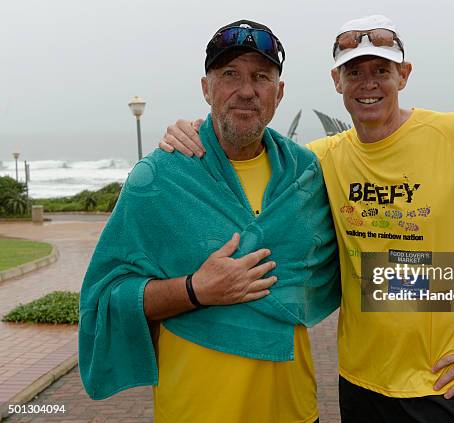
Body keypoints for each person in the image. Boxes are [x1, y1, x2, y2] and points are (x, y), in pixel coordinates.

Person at [160, 15, 454, 423]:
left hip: (443, 384)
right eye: (354, 72)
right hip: (359, 384)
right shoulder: (322, 159)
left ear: (403, 75)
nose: (368, 84)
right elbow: (249, 147)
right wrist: (189, 131)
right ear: (337, 81)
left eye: (381, 70)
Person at [79, 20, 340, 423]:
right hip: (195, 409)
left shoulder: (308, 171)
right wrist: (195, 289)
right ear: (206, 88)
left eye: (261, 76)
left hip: (293, 406)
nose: (246, 89)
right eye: (229, 74)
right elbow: (105, 297)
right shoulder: (159, 176)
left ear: (279, 93)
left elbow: (362, 256)